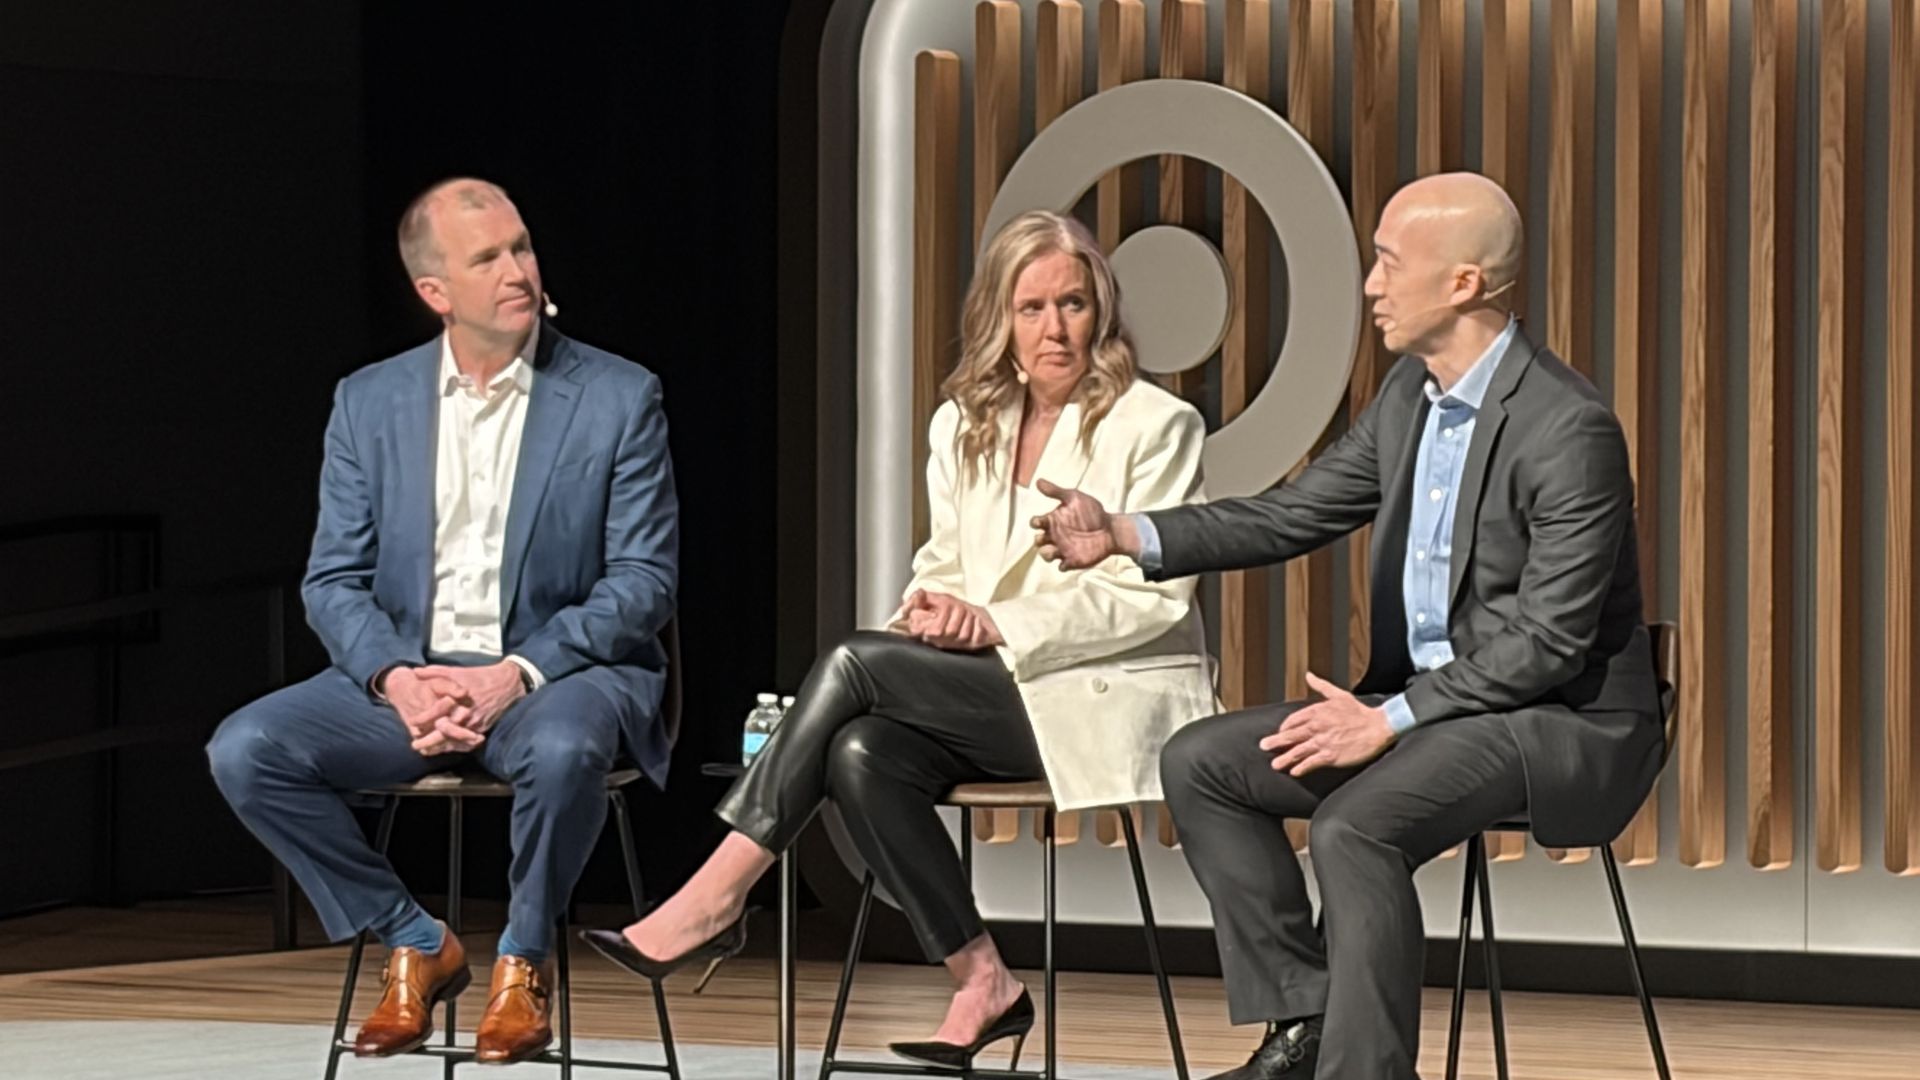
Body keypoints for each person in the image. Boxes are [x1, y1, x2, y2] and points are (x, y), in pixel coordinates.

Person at [1032, 173, 1663, 1080]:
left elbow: (1549, 642)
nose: (1369, 284)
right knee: (1203, 762)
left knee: (1356, 825)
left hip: (1557, 721)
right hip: (1431, 713)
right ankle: (1304, 1028)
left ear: (1464, 285)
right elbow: (1294, 514)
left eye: (1387, 262)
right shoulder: (1410, 399)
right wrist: (1129, 532)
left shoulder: (1569, 428)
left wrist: (1389, 719)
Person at [582, 210, 1216, 1070]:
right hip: (988, 687)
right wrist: (936, 611)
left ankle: (716, 894)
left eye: (1072, 304)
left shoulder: (1158, 423)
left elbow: (1152, 595)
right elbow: (945, 563)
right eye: (1032, 308)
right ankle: (982, 978)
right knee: (859, 751)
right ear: (1001, 317)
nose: (1054, 328)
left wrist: (996, 622)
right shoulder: (964, 422)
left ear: (1101, 311)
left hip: (1098, 693)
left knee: (852, 661)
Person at [206, 178, 678, 1065]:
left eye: (523, 248)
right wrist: (396, 677)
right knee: (246, 750)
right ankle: (416, 941)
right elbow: (334, 580)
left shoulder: (618, 395)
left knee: (567, 750)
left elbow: (644, 582)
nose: (519, 271)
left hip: (555, 676)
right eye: (489, 258)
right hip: (412, 680)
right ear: (434, 292)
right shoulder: (369, 401)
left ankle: (524, 962)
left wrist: (515, 674)